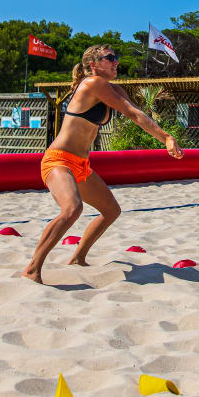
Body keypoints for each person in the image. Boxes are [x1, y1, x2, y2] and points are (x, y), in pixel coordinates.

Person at [22, 45, 183, 284]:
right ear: (94, 65)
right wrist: (166, 138)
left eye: (116, 57)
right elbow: (131, 113)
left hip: (81, 165)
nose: (116, 61)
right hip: (59, 160)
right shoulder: (91, 83)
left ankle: (78, 258)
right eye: (110, 58)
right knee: (72, 209)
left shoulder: (112, 89)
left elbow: (138, 113)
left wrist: (164, 136)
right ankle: (32, 269)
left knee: (111, 211)